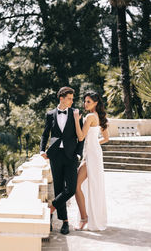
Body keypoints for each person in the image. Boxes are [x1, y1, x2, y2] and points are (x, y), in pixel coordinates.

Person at [40, 86, 84, 235]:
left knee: (70, 188)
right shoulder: (50, 114)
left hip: (71, 156)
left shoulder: (75, 114)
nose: (72, 101)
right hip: (55, 155)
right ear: (61, 98)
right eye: (70, 98)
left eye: (72, 98)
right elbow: (45, 134)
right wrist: (42, 150)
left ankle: (50, 209)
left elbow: (81, 137)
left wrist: (78, 154)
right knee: (59, 188)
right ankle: (64, 222)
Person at [73, 91, 109, 231]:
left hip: (91, 156)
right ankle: (86, 217)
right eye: (85, 101)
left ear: (95, 103)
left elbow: (81, 136)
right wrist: (93, 144)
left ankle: (84, 218)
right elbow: (106, 138)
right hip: (94, 154)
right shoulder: (99, 116)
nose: (85, 103)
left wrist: (76, 119)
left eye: (88, 101)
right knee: (86, 185)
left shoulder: (89, 116)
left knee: (76, 186)